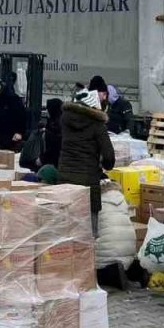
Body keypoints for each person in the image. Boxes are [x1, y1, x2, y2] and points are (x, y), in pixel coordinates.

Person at [59, 89, 115, 234]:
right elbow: (109, 156)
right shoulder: (98, 125)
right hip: (88, 182)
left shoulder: (65, 120)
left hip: (64, 179)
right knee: (88, 233)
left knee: (66, 229)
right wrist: (105, 166)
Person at [0, 75, 28, 152]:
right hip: (3, 136)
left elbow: (21, 116)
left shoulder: (12, 99)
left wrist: (19, 132)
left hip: (12, 137)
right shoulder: (0, 99)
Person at [41, 98, 63, 168]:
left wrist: (42, 158)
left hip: (53, 162)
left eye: (48, 109)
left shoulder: (55, 126)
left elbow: (54, 146)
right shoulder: (57, 122)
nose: (46, 111)